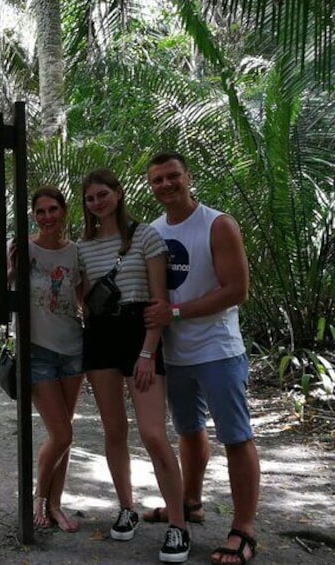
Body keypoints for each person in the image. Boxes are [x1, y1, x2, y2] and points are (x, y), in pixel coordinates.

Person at [144, 152, 260, 565]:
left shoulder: (217, 224)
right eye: (157, 180)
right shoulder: (153, 232)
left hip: (217, 350)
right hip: (175, 354)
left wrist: (175, 314)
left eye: (172, 176)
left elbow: (236, 290)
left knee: (236, 436)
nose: (165, 185)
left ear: (188, 177)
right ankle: (189, 503)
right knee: (189, 430)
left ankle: (243, 529)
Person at [77, 168, 190, 563]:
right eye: (90, 198)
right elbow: (81, 296)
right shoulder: (83, 246)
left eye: (103, 194)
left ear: (119, 193)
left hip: (139, 333)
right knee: (113, 429)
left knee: (153, 433)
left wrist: (147, 352)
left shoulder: (145, 236)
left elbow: (159, 303)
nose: (97, 203)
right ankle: (127, 507)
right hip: (100, 339)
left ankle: (178, 524)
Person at [7, 187, 84, 532]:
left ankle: (56, 504)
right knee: (63, 433)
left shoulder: (74, 253)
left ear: (63, 212)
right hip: (36, 350)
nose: (47, 217)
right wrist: (11, 269)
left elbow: (82, 299)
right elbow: (6, 289)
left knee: (63, 434)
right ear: (33, 216)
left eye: (53, 210)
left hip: (72, 350)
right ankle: (39, 497)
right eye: (40, 211)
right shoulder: (23, 248)